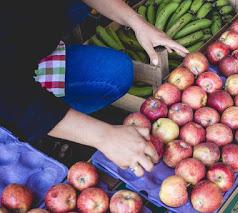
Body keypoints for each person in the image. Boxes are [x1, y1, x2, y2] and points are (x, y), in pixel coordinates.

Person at [0, 0, 188, 176]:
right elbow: (10, 95)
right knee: (22, 114)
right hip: (10, 88)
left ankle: (57, 121)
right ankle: (42, 133)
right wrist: (103, 136)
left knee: (116, 72)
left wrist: (137, 22)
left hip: (28, 48)